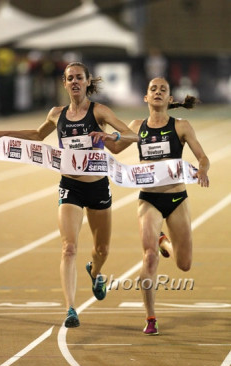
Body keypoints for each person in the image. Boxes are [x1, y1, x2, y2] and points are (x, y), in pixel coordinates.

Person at [0, 62, 137, 328]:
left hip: (98, 186)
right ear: (64, 84)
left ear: (87, 82)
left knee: (102, 250)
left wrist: (109, 136)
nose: (74, 82)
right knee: (69, 247)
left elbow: (132, 135)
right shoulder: (56, 113)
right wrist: (3, 133)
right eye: (69, 78)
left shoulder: (99, 111)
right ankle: (70, 309)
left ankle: (96, 273)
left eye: (79, 78)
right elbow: (38, 134)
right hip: (70, 186)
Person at [90, 77, 210, 335]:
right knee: (149, 257)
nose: (157, 92)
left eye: (163, 90)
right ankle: (151, 317)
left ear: (169, 99)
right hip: (148, 198)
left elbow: (203, 157)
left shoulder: (181, 126)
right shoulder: (136, 127)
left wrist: (202, 170)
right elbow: (116, 148)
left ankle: (163, 240)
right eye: (152, 89)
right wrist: (101, 137)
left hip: (177, 199)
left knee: (184, 264)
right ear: (145, 97)